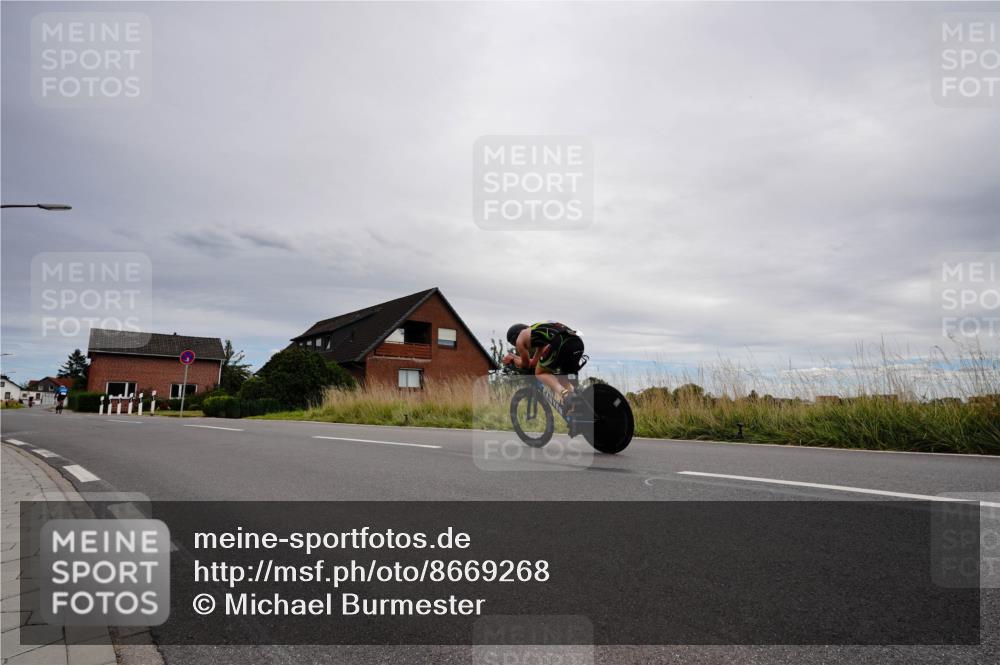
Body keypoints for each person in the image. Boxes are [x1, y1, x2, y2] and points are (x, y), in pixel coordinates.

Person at [503, 322, 585, 414]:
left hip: (561, 341)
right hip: (577, 342)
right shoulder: (537, 333)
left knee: (539, 373)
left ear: (514, 338)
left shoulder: (520, 339)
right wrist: (515, 357)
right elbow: (533, 363)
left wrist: (512, 360)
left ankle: (565, 394)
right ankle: (575, 410)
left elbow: (526, 365)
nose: (516, 346)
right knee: (563, 379)